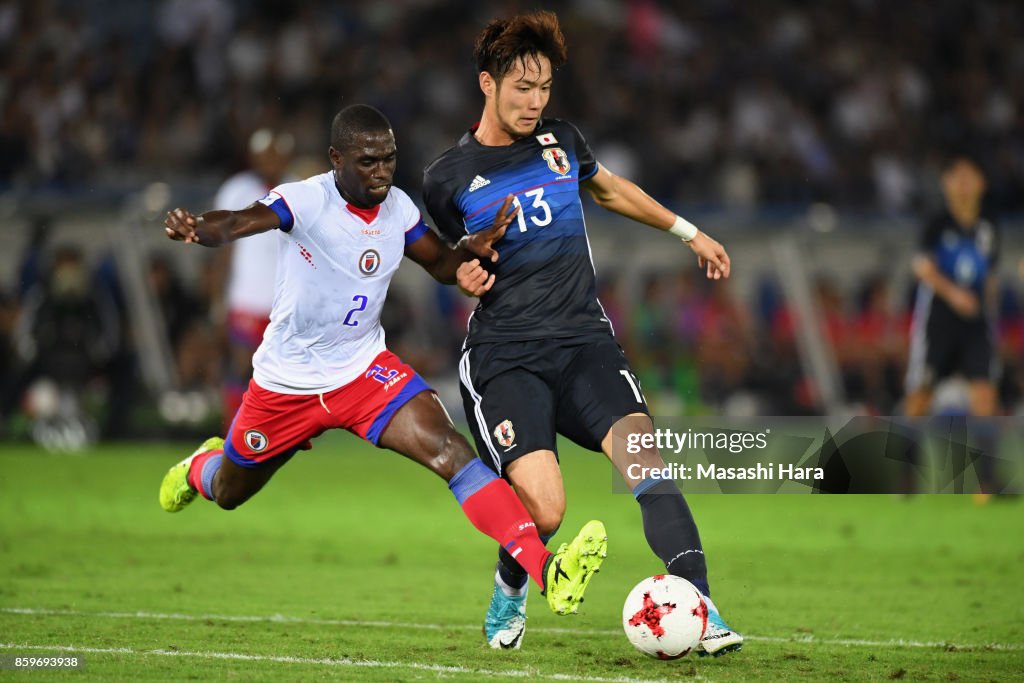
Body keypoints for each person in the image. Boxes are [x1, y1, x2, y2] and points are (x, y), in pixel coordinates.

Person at [158, 104, 607, 620]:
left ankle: (546, 570)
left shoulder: (397, 209)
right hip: (287, 383)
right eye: (368, 161)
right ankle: (200, 468)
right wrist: (198, 228)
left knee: (452, 453)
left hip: (363, 371)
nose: (381, 172)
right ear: (336, 159)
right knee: (230, 492)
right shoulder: (307, 199)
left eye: (389, 160)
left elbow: (439, 263)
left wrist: (469, 248)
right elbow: (238, 221)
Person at [423, 11, 741, 654]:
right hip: (505, 357)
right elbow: (447, 261)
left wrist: (690, 232)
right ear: (487, 83)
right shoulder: (446, 177)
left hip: (584, 342)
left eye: (544, 88)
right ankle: (511, 587)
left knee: (648, 466)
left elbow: (611, 191)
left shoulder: (561, 140)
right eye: (522, 88)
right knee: (545, 512)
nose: (535, 102)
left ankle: (702, 608)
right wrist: (464, 276)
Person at [904, 154, 1000, 496]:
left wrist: (989, 315)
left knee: (985, 397)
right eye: (955, 176)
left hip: (975, 325)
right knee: (919, 398)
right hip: (938, 324)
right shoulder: (936, 223)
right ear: (946, 184)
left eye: (969, 176)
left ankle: (987, 484)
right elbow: (923, 267)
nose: (962, 183)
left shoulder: (989, 227)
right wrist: (954, 294)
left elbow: (989, 278)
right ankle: (906, 480)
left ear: (981, 183)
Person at [214, 129, 295, 430]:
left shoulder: (298, 187)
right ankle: (233, 430)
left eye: (276, 153)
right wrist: (217, 300)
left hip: (285, 302)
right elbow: (223, 250)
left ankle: (274, 432)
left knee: (282, 373)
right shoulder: (237, 189)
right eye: (265, 154)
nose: (271, 160)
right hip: (246, 298)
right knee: (241, 366)